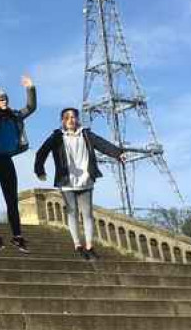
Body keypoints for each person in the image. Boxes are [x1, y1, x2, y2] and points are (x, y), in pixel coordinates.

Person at [34, 107, 124, 259]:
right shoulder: (57, 136)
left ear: (77, 119)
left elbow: (102, 144)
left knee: (87, 214)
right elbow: (42, 152)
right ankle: (78, 245)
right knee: (72, 212)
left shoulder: (86, 134)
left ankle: (90, 246)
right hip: (67, 180)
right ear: (63, 121)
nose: (71, 120)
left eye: (73, 117)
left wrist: (118, 153)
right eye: (67, 118)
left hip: (85, 180)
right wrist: (39, 170)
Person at [0, 73, 36, 253]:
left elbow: (30, 107)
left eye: (5, 99)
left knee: (11, 200)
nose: (3, 101)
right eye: (0, 99)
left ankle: (18, 237)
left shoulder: (14, 115)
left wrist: (30, 88)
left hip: (6, 159)